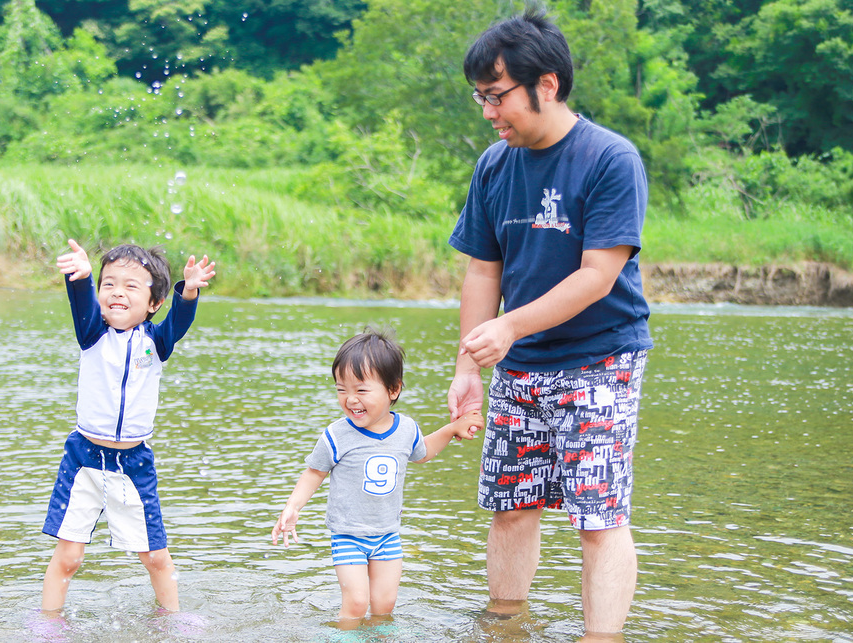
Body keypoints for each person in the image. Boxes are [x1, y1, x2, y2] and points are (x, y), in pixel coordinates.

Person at [447, 8, 654, 637]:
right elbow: (483, 273)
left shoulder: (610, 159)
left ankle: (602, 636)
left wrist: (509, 328)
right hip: (520, 364)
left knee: (598, 517)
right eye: (480, 97)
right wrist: (467, 366)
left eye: (497, 95)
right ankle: (504, 625)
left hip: (601, 359)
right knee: (511, 506)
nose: (488, 111)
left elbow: (598, 276)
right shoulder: (493, 166)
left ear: (547, 85)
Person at [40, 239, 216, 613]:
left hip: (133, 464)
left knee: (155, 558)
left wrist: (188, 291)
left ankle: (170, 621)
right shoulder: (93, 334)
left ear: (153, 303)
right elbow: (82, 303)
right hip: (82, 460)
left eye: (131, 286)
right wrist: (82, 279)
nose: (117, 292)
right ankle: (48, 625)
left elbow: (179, 320)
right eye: (109, 284)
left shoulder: (156, 342)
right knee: (69, 558)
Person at [272, 329, 484, 624]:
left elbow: (423, 452)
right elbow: (314, 472)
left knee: (385, 604)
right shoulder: (337, 435)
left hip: (387, 534)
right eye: (341, 389)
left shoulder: (406, 429)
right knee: (357, 602)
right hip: (348, 534)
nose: (350, 399)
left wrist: (450, 429)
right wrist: (293, 507)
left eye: (361, 390)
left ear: (393, 390)